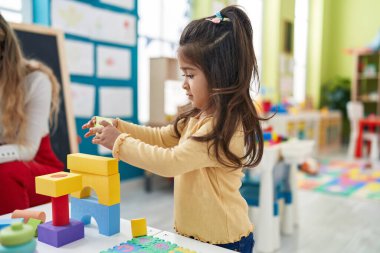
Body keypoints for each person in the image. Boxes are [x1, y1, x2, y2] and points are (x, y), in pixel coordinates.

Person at [83, 6, 263, 253]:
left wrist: (119, 142)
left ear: (220, 75)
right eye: (183, 74)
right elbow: (162, 138)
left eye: (190, 75)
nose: (184, 84)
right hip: (193, 236)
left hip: (225, 241)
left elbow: (171, 162)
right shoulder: (198, 116)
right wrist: (118, 126)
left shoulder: (220, 128)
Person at [0, 14, 64, 215]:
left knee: (5, 175)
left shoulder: (36, 81)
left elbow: (28, 150)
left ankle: (15, 239)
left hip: (39, 166)